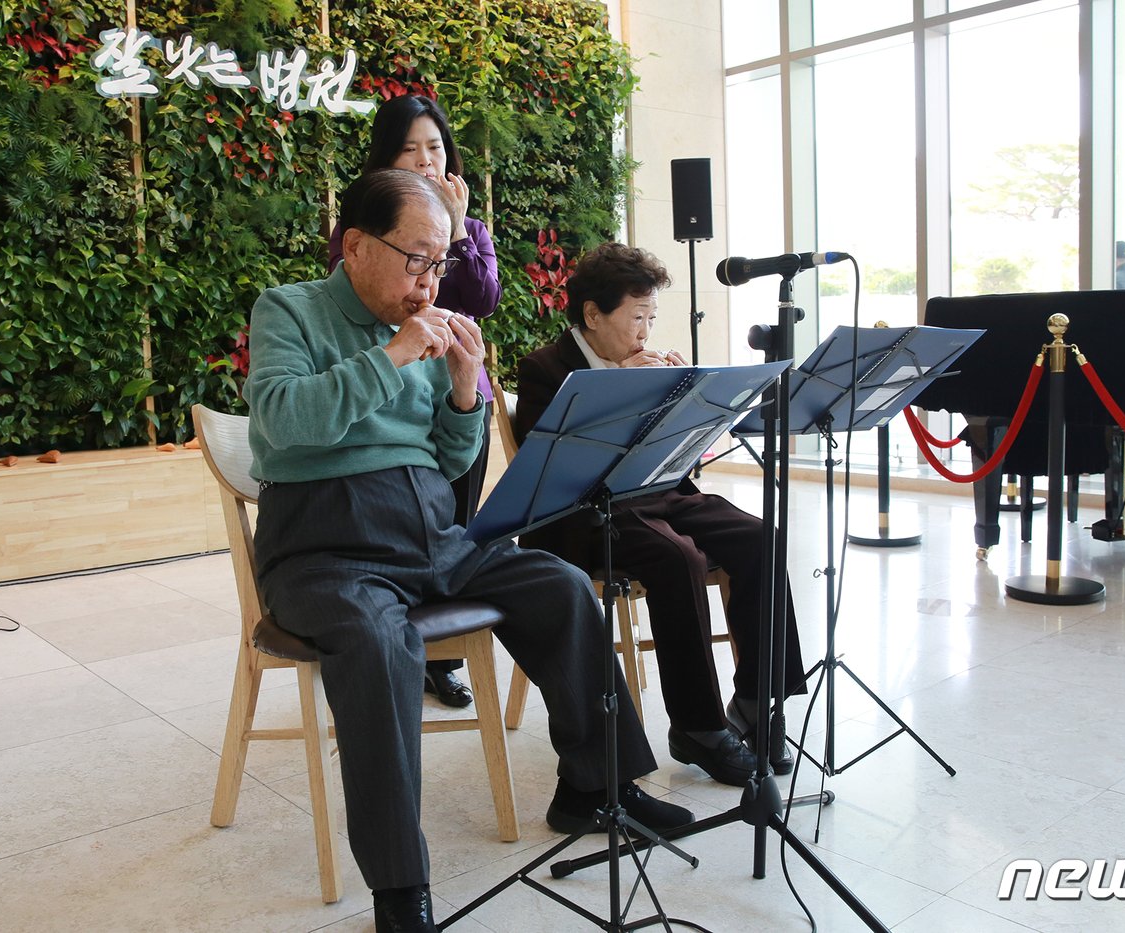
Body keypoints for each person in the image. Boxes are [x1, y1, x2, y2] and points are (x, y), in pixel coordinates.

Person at [246, 171, 691, 933]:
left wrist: (461, 392)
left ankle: (597, 786)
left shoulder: (427, 324)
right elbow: (285, 423)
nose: (430, 279)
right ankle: (399, 886)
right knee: (379, 643)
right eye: (417, 258)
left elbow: (451, 462)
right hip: (323, 545)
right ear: (355, 247)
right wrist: (391, 356)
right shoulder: (290, 309)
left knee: (557, 584)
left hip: (427, 530)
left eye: (439, 262)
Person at [514, 242, 806, 788]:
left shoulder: (645, 357)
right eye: (636, 317)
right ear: (593, 314)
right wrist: (624, 388)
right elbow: (556, 470)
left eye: (652, 317)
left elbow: (674, 454)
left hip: (658, 493)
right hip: (586, 512)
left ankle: (756, 697)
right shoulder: (544, 369)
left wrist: (687, 400)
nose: (645, 331)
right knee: (678, 556)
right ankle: (697, 726)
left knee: (759, 536)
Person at [327, 94, 503, 710]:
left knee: (453, 524)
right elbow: (365, 298)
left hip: (458, 387)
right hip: (395, 388)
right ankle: (394, 641)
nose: (426, 159)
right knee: (403, 530)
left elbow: (479, 297)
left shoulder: (469, 226)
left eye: (435, 146)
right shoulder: (367, 219)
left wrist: (453, 229)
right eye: (410, 148)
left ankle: (444, 657)